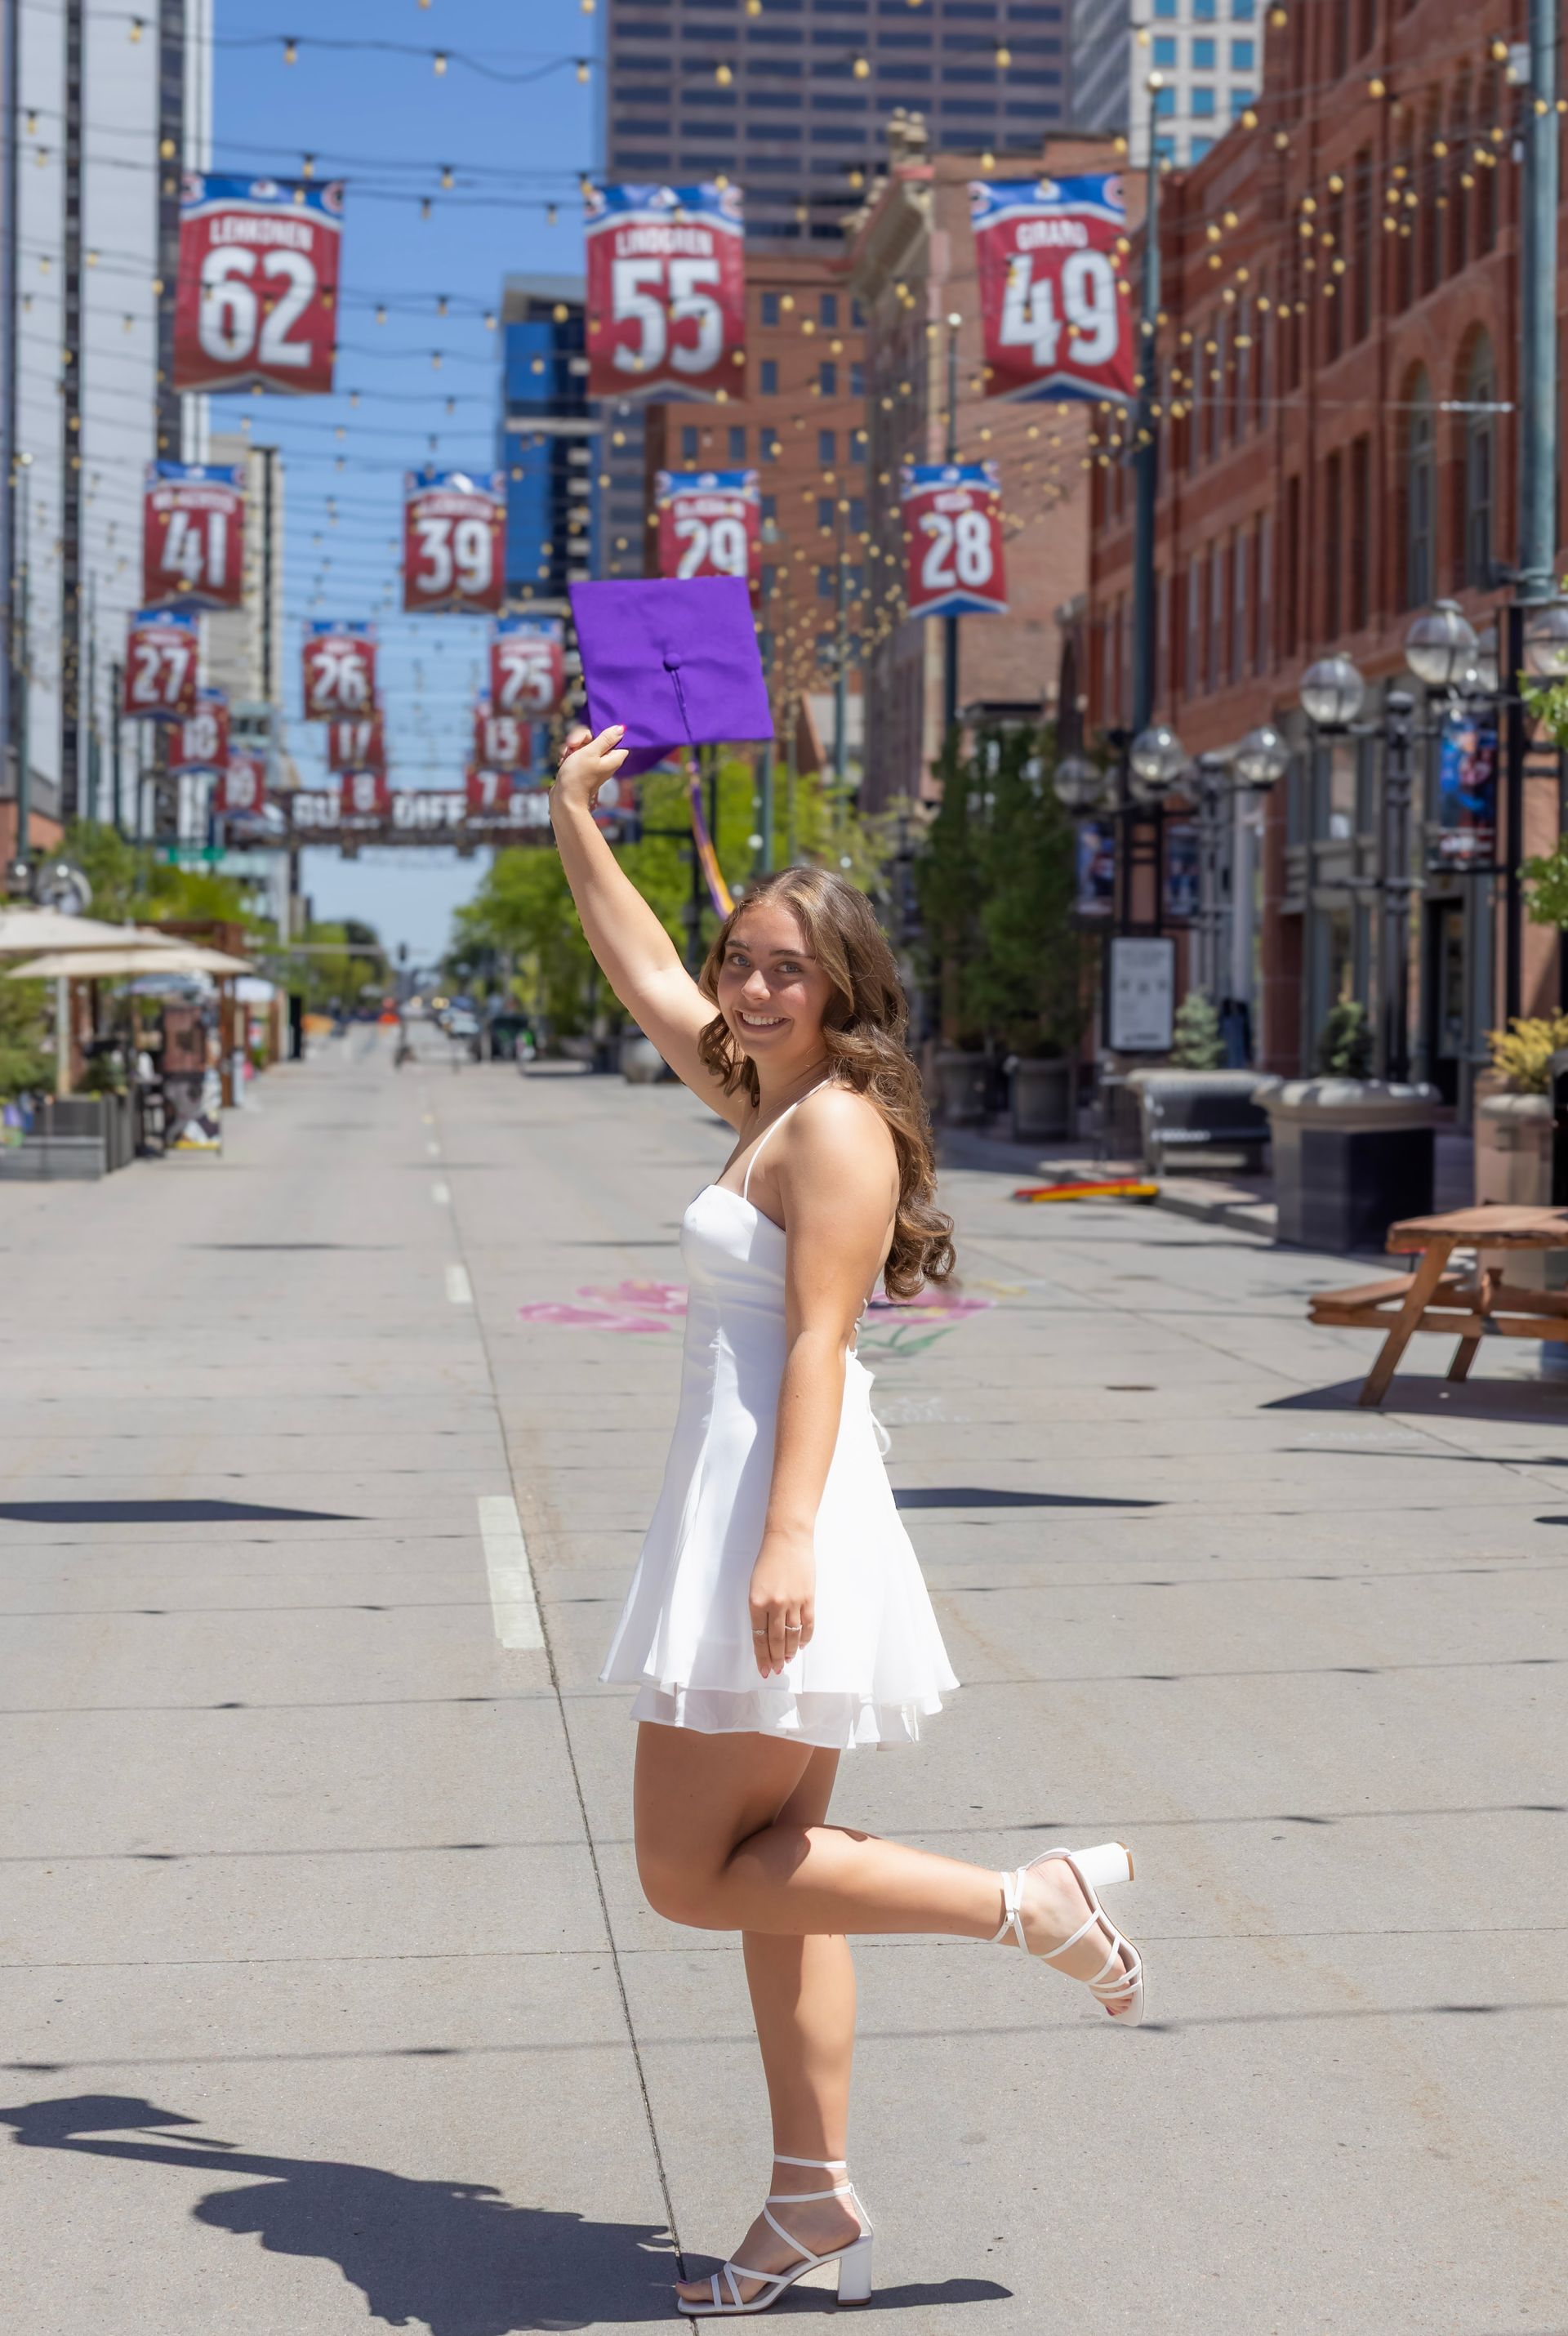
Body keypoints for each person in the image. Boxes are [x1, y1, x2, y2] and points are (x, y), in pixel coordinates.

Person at [551, 725, 1145, 2318]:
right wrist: (569, 816)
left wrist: (786, 1539)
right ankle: (807, 2190)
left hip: (775, 1505)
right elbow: (639, 969)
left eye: (782, 969)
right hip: (755, 1503)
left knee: (693, 1871)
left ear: (843, 984)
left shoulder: (829, 1130)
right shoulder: (767, 1095)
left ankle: (1022, 1902)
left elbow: (821, 1339)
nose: (745, 990)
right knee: (775, 1871)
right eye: (740, 963)